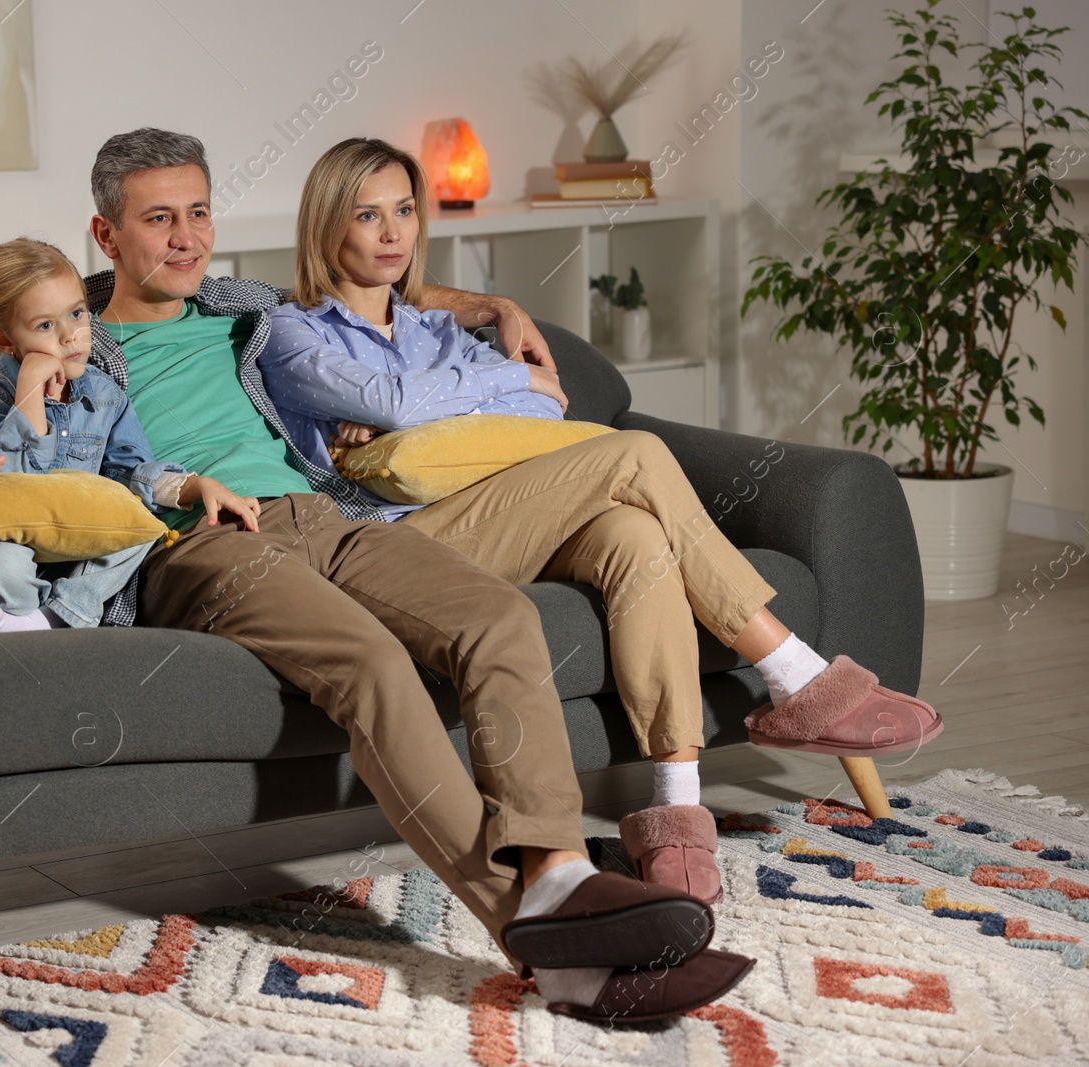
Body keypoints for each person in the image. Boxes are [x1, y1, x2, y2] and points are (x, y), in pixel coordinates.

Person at [0, 128, 759, 1020]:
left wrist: (495, 305)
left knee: (501, 619)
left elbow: (376, 278)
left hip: (326, 516)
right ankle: (538, 933)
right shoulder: (61, 330)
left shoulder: (243, 305)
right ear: (105, 237)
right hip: (195, 542)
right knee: (373, 665)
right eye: (160, 220)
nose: (188, 238)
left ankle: (561, 871)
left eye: (199, 213)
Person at [257, 136, 945, 905]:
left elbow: (545, 399)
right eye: (366, 214)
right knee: (634, 454)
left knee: (637, 538)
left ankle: (676, 803)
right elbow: (398, 403)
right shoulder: (294, 332)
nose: (392, 233)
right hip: (399, 546)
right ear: (328, 228)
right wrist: (450, 393)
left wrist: (455, 389)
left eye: (405, 211)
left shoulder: (433, 332)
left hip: (505, 508)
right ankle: (798, 677)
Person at [0, 237, 261, 634]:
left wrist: (193, 485)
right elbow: (4, 491)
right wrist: (29, 389)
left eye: (76, 314)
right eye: (45, 325)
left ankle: (56, 615)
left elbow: (130, 473)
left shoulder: (104, 394)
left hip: (62, 563)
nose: (70, 336)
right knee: (3, 563)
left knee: (142, 527)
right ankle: (26, 611)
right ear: (5, 341)